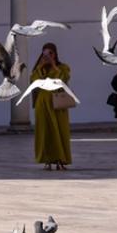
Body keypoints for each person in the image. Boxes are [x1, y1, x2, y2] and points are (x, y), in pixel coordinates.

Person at [30, 42, 73, 171]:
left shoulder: (63, 67)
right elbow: (34, 81)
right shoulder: (39, 68)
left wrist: (54, 66)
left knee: (59, 130)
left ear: (55, 54)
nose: (48, 56)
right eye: (45, 53)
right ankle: (47, 160)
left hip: (57, 103)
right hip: (43, 103)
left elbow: (64, 79)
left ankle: (61, 159)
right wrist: (40, 67)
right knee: (45, 132)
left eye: (51, 53)